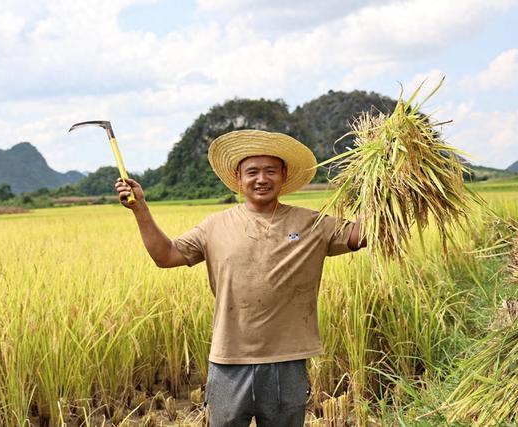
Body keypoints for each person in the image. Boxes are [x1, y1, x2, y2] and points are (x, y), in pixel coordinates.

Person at [115, 129, 366, 427]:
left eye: (270, 171)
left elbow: (362, 234)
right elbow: (166, 256)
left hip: (286, 360)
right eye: (253, 172)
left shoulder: (311, 223)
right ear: (238, 177)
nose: (262, 179)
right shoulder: (215, 226)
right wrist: (140, 209)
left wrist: (381, 181)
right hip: (229, 360)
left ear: (283, 176)